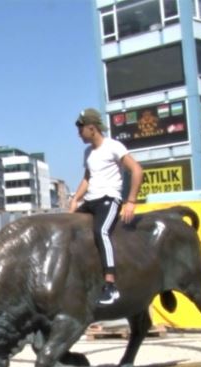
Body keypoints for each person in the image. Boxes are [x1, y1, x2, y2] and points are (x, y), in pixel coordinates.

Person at [69, 108, 143, 306]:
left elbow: (136, 170)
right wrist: (75, 199)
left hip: (109, 199)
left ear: (92, 128)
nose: (78, 134)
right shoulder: (88, 152)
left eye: (81, 129)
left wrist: (131, 201)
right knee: (68, 227)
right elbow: (87, 178)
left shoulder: (113, 146)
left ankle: (111, 286)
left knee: (101, 231)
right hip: (90, 200)